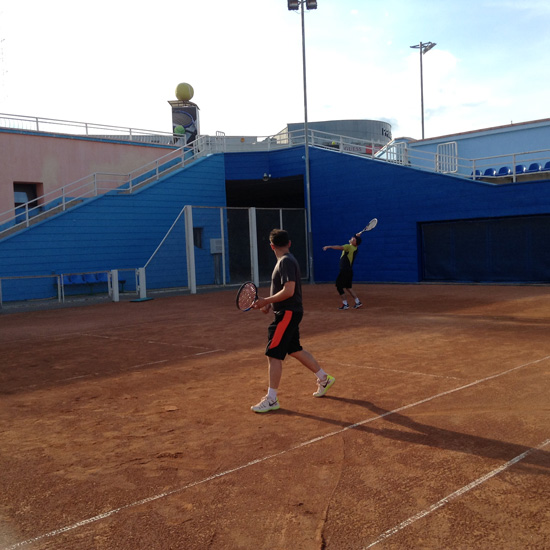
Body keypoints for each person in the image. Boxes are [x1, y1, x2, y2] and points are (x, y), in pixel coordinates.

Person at [250, 228, 335, 413]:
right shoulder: (286, 260)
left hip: (287, 313)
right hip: (289, 311)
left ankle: (271, 399)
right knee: (295, 349)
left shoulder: (286, 261)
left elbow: (289, 291)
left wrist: (266, 300)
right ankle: (324, 378)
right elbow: (284, 290)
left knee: (273, 354)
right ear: (289, 243)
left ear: (271, 246)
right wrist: (269, 303)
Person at [323, 234, 363, 310]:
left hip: (344, 271)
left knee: (339, 286)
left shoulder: (349, 247)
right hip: (349, 271)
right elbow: (357, 240)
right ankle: (358, 302)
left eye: (354, 239)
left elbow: (340, 247)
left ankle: (345, 304)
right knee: (348, 287)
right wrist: (357, 236)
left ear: (355, 243)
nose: (352, 238)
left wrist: (329, 246)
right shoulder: (355, 248)